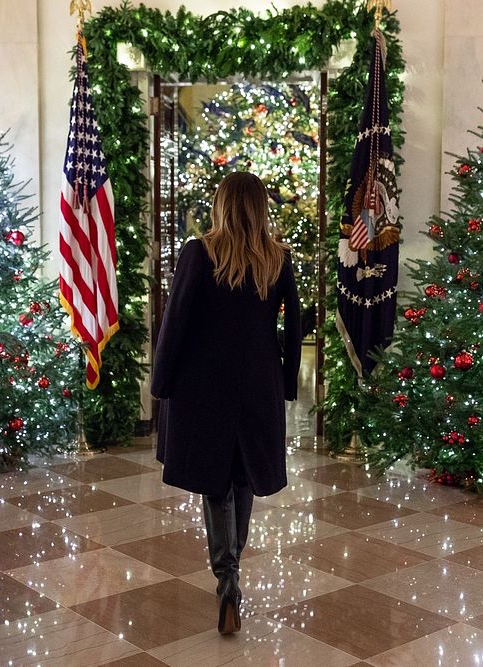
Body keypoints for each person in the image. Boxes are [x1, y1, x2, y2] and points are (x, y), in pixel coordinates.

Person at [151, 171, 302, 635]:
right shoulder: (277, 258)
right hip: (258, 382)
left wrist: (161, 383)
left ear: (221, 205)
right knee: (243, 477)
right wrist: (287, 384)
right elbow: (293, 328)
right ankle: (232, 573)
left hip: (204, 384)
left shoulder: (200, 252)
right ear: (260, 208)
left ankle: (227, 579)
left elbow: (175, 320)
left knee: (214, 481)